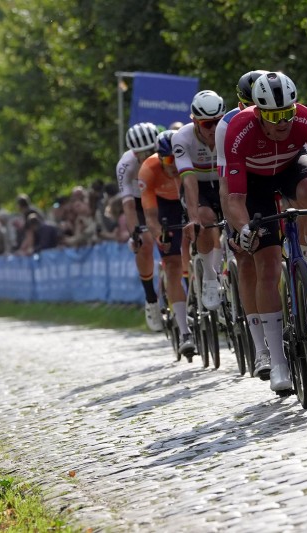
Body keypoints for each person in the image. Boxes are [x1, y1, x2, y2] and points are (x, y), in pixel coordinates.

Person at [222, 71, 307, 392]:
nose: (282, 123)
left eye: (287, 114)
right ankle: (277, 361)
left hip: (292, 166)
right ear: (258, 113)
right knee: (266, 268)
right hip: (255, 183)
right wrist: (244, 228)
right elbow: (233, 197)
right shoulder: (237, 130)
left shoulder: (306, 120)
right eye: (274, 116)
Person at [216, 70, 272, 368]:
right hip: (242, 187)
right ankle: (260, 347)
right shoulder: (228, 126)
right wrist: (237, 225)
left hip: (275, 177)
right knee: (247, 258)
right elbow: (226, 187)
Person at [139, 130, 195, 356]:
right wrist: (158, 233)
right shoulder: (149, 170)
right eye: (168, 160)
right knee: (171, 263)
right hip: (163, 206)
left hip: (188, 195)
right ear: (160, 158)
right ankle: (185, 332)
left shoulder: (190, 161)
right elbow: (150, 217)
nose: (174, 164)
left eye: (177, 158)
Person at [172, 90, 226, 313]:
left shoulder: (229, 131)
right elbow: (189, 180)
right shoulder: (182, 138)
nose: (214, 129)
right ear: (194, 121)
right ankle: (211, 278)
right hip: (199, 187)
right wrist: (194, 218)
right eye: (207, 124)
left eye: (217, 122)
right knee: (205, 219)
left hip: (224, 181)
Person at [117, 122, 162, 331]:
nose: (147, 157)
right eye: (142, 154)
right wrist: (135, 233)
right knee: (145, 242)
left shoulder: (167, 149)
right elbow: (128, 205)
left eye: (151, 152)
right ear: (134, 153)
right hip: (139, 203)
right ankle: (151, 298)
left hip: (163, 195)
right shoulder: (125, 164)